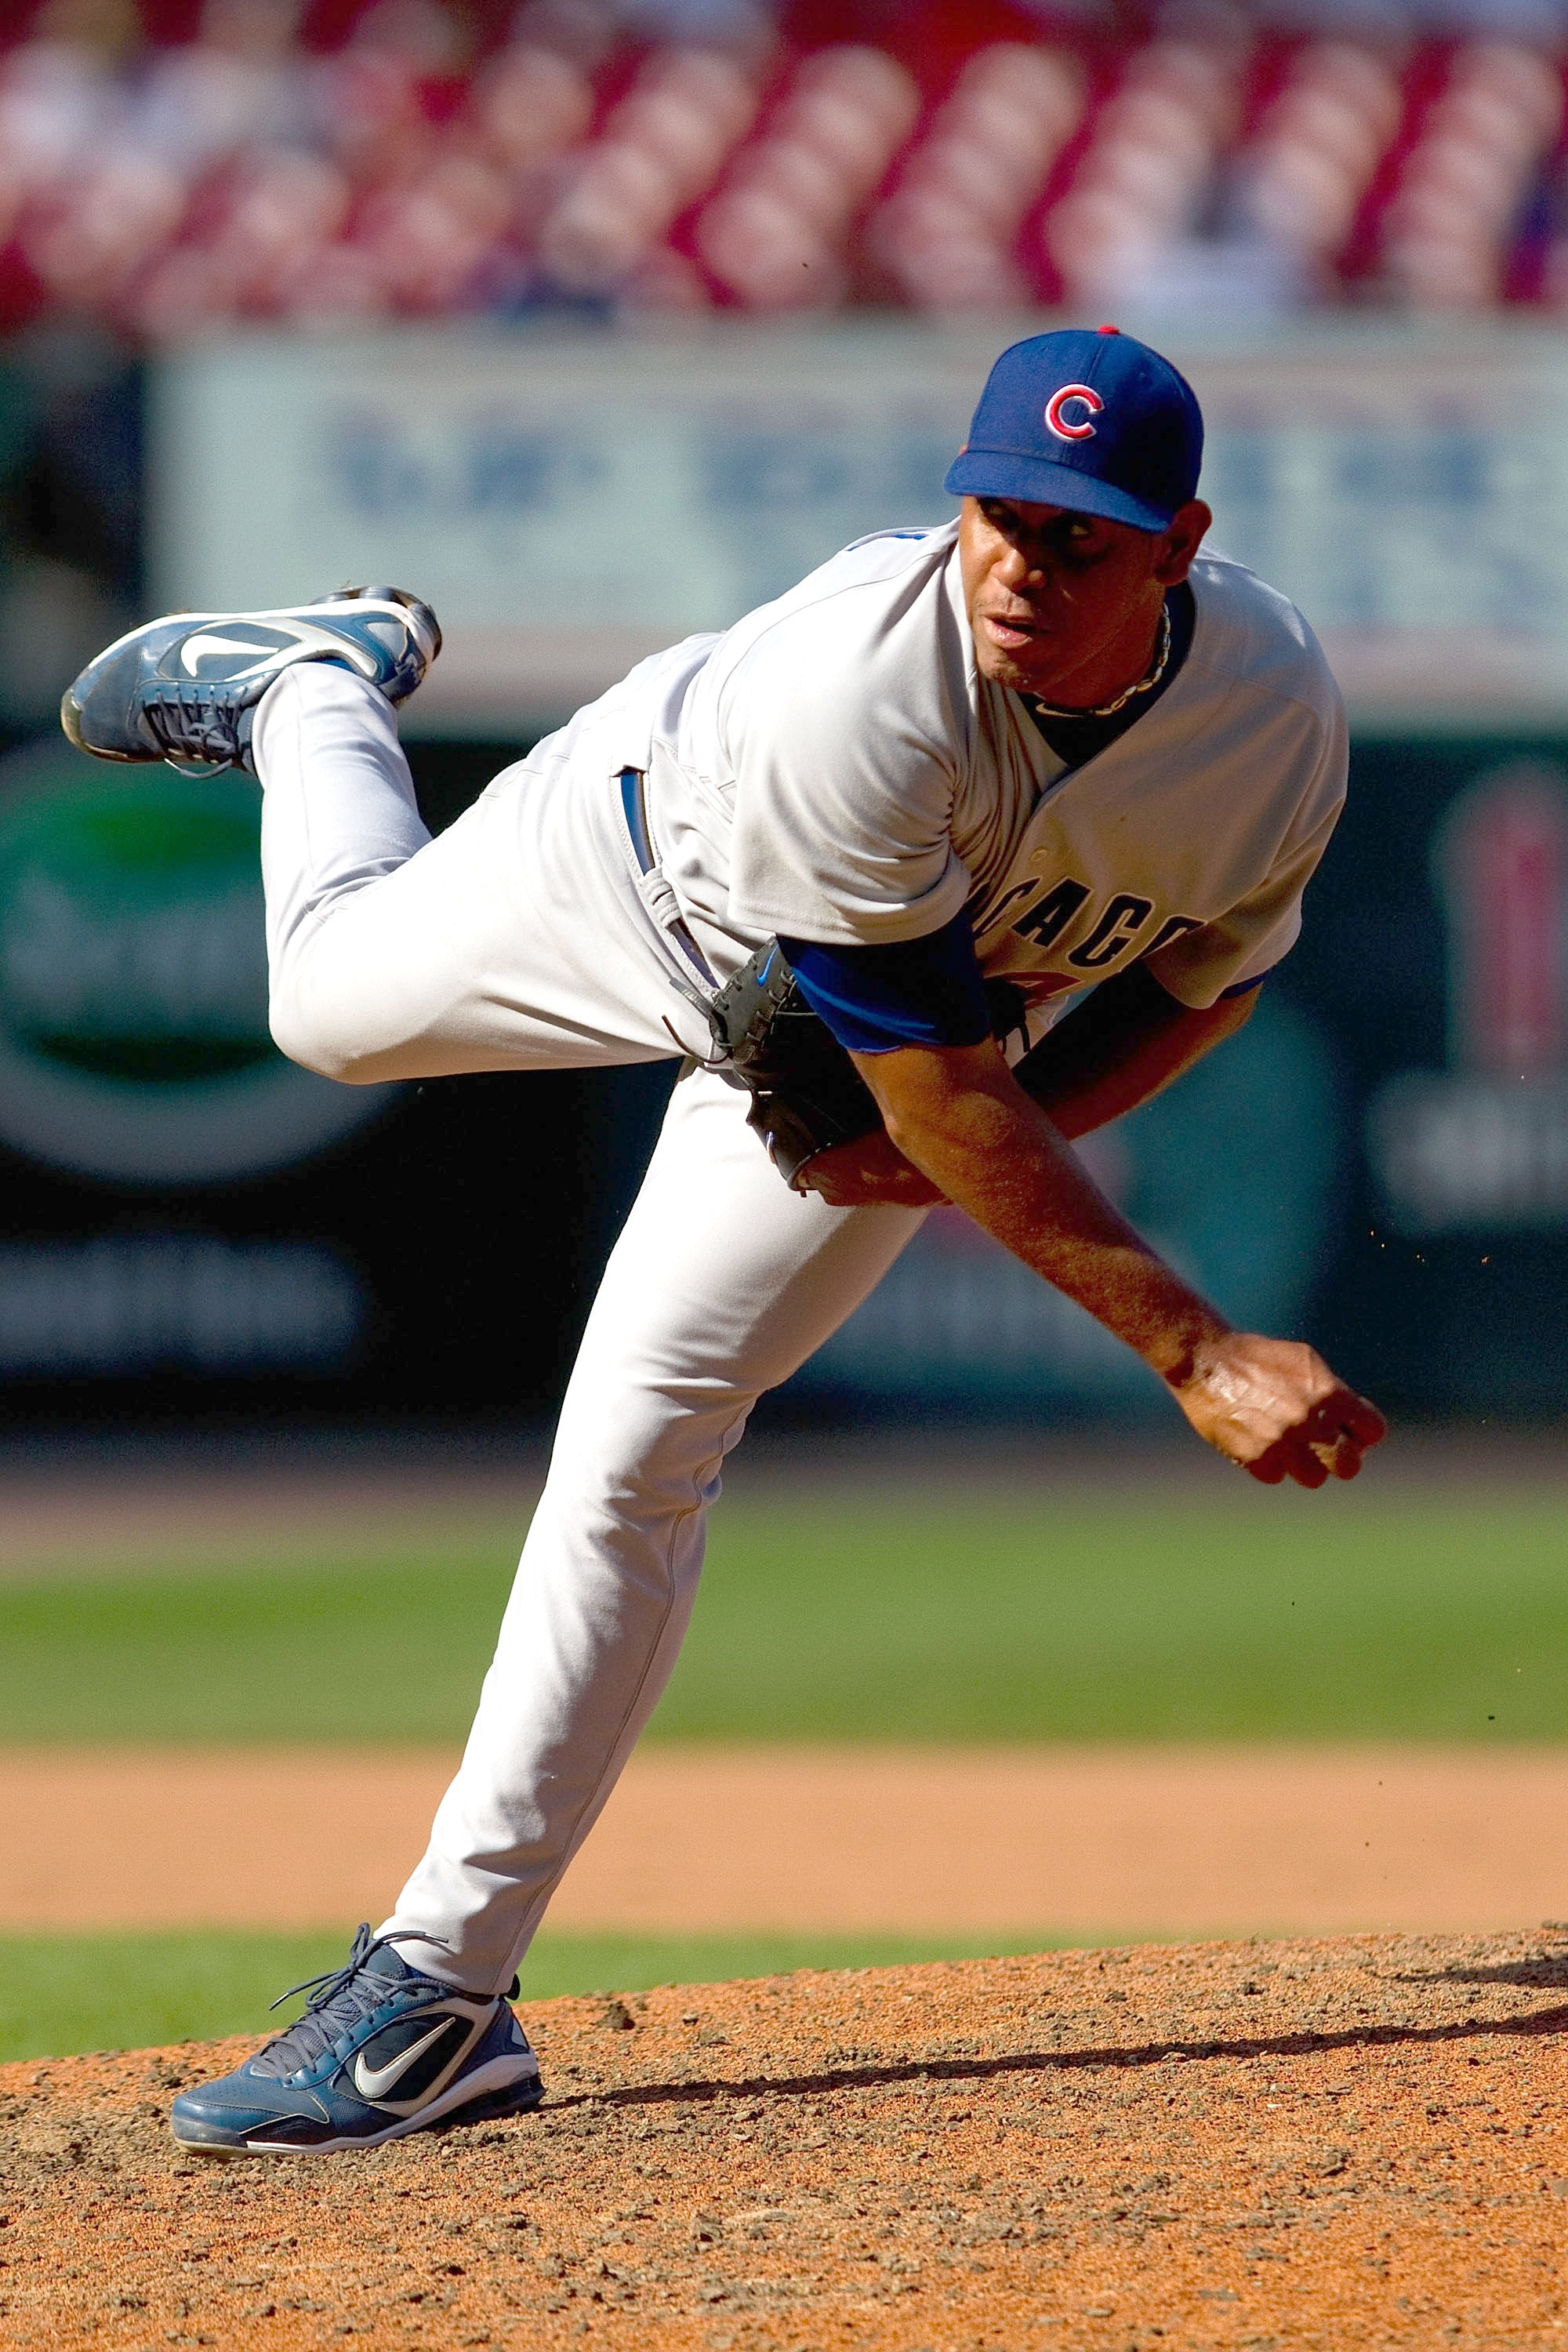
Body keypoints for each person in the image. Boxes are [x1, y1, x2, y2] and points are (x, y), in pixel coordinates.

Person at [64, 325, 1385, 2157]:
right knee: (323, 1009)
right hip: (638, 867)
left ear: (1177, 542)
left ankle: (440, 1996)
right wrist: (1190, 1343)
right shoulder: (866, 689)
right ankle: (313, 692)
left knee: (639, 1447)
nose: (1019, 566)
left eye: (1076, 537)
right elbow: (927, 1090)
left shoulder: (1270, 714)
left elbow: (1197, 988)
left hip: (895, 1045)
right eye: (997, 516)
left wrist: (976, 1148)